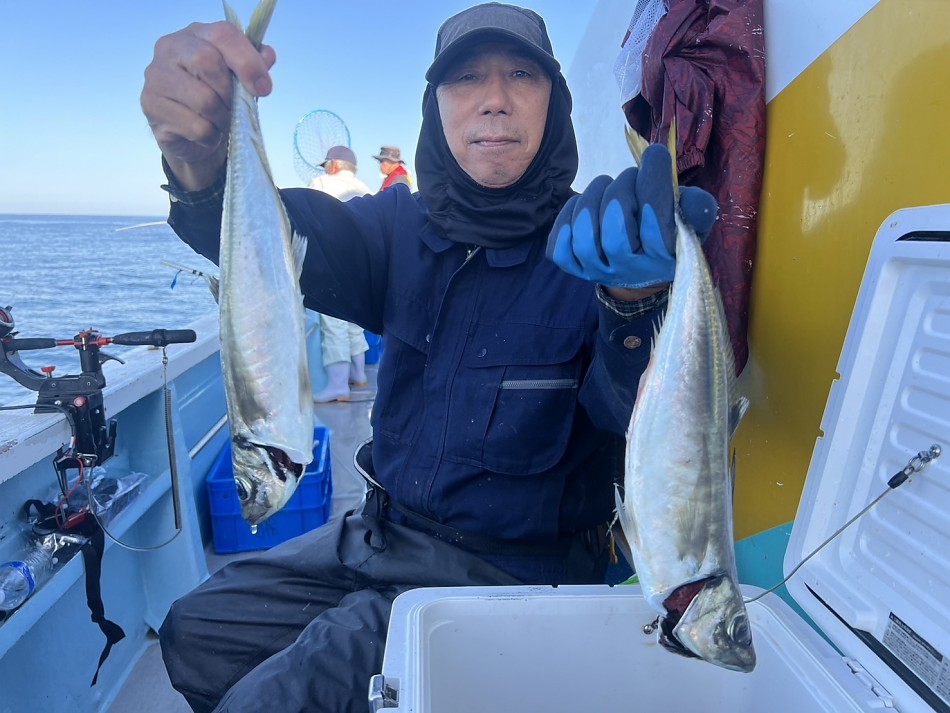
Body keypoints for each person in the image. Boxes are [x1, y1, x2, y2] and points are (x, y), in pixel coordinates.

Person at [140, 3, 717, 712]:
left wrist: (637, 302)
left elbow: (641, 424)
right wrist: (196, 159)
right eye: (465, 77)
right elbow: (268, 240)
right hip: (378, 535)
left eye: (523, 75)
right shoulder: (394, 229)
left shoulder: (594, 245)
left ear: (555, 102)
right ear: (435, 105)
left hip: (508, 573)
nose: (494, 98)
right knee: (197, 630)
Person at [306, 145, 373, 402]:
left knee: (334, 325)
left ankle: (338, 386)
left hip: (330, 266)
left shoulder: (321, 182)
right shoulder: (366, 188)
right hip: (362, 269)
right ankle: (359, 375)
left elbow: (305, 222)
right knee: (355, 324)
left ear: (333, 165)